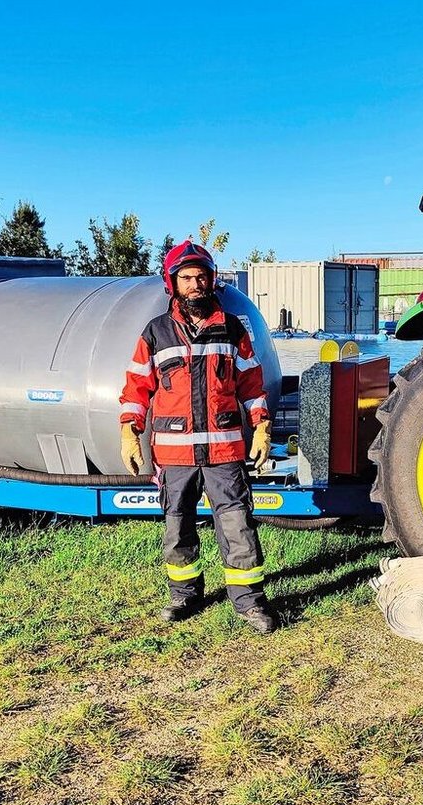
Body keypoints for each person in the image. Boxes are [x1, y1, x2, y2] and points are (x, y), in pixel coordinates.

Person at [118, 241, 277, 633]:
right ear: (173, 283)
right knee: (177, 526)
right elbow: (137, 387)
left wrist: (262, 427)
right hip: (173, 456)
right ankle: (184, 595)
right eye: (187, 278)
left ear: (212, 280)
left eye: (202, 276)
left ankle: (249, 604)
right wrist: (128, 432)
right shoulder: (155, 333)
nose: (196, 284)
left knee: (237, 525)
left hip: (225, 451)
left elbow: (252, 384)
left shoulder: (233, 328)